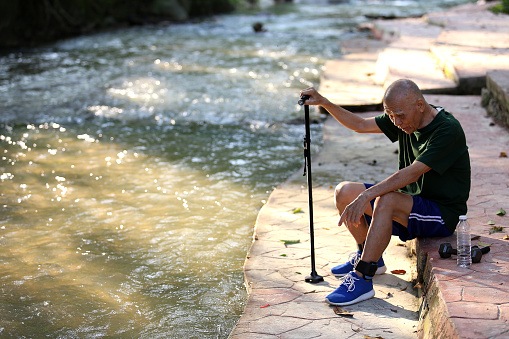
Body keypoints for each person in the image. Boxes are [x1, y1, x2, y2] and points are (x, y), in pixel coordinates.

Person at [299, 79, 470, 306]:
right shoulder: (404, 117)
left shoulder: (447, 130)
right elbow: (359, 124)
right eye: (390, 116)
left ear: (420, 105)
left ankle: (362, 277)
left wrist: (367, 195)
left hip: (441, 214)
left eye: (400, 116)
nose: (396, 123)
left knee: (385, 198)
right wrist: (324, 102)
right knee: (344, 192)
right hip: (411, 204)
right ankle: (370, 257)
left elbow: (411, 174)